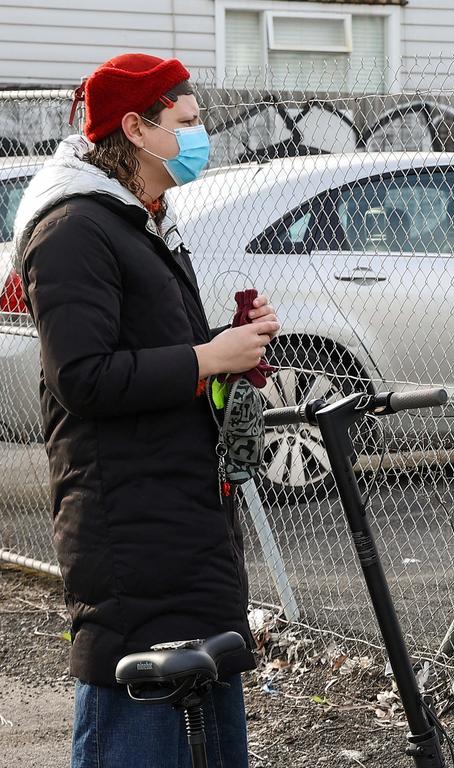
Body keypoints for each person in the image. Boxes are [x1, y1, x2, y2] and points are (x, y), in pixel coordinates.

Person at [13, 53, 279, 767]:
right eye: (187, 123)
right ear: (135, 127)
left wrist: (233, 344)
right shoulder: (73, 230)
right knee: (132, 716)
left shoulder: (143, 221)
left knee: (207, 716)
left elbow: (158, 356)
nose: (202, 138)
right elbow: (84, 377)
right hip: (127, 525)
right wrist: (206, 357)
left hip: (179, 514)